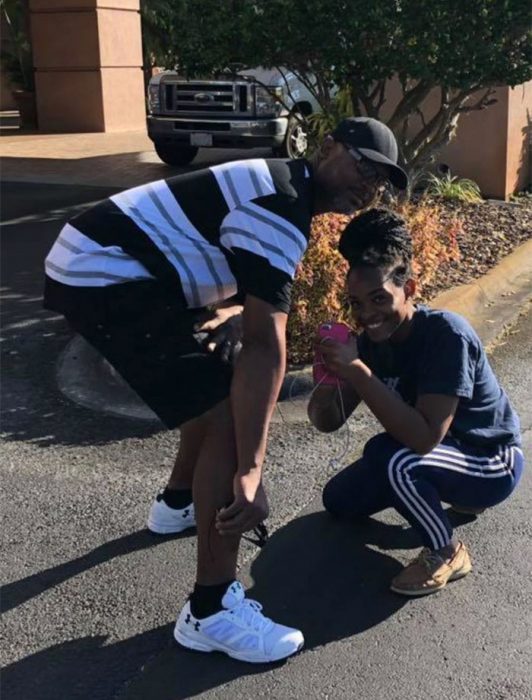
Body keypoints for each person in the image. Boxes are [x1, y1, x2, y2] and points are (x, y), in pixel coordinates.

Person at [43, 118, 407, 663]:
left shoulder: (283, 189)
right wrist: (250, 470)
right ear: (327, 146)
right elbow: (267, 345)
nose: (369, 184)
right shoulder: (281, 204)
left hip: (106, 264)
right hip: (105, 273)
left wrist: (237, 308)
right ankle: (209, 611)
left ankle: (178, 503)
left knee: (214, 379)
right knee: (226, 415)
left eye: (381, 180)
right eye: (363, 165)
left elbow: (237, 275)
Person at [309, 209, 524, 597]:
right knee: (338, 501)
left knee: (393, 457)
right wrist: (329, 377)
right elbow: (327, 421)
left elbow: (424, 439)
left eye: (378, 298)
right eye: (355, 303)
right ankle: (446, 493)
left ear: (409, 289)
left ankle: (446, 550)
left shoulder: (446, 335)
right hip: (439, 456)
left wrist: (357, 369)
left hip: (490, 460)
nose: (366, 314)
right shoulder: (371, 342)